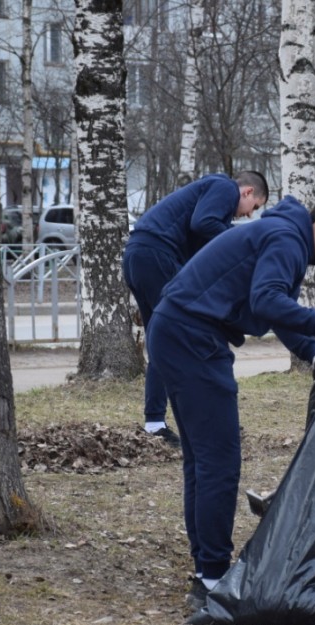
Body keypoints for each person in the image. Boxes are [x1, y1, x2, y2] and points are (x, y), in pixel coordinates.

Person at [147, 189, 315, 609]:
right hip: (191, 336)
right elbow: (267, 299)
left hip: (179, 330)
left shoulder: (283, 234)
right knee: (218, 461)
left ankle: (207, 572)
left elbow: (274, 309)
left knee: (202, 461)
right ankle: (213, 579)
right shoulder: (287, 239)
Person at [123, 171, 269, 448]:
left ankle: (155, 423)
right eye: (255, 208)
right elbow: (204, 224)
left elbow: (201, 240)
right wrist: (245, 243)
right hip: (156, 255)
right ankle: (205, 420)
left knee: (162, 340)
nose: (250, 216)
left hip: (138, 255)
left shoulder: (209, 195)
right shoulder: (225, 188)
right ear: (247, 192)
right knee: (188, 334)